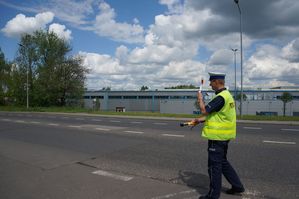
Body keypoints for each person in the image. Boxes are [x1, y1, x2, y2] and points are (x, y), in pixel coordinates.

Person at [192, 72, 245, 199]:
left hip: (217, 138)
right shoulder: (228, 96)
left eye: (211, 82)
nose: (210, 84)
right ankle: (237, 186)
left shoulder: (220, 97)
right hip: (224, 137)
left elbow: (204, 110)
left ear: (217, 82)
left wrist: (200, 98)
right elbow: (219, 116)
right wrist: (200, 120)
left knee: (214, 166)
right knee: (223, 162)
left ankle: (213, 195)